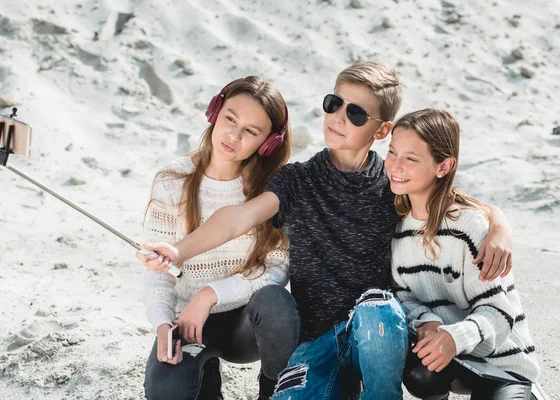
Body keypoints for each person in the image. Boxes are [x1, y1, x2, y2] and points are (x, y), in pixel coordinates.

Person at [143, 62, 514, 400]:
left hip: (377, 334)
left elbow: (454, 201)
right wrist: (178, 252)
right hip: (315, 342)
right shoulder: (297, 179)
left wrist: (499, 226)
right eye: (334, 103)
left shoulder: (395, 179)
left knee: (377, 312)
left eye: (355, 113)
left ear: (383, 129)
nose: (338, 117)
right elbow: (238, 217)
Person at [137, 76, 300, 400]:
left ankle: (275, 395)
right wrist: (163, 324)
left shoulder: (272, 189)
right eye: (230, 119)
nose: (234, 135)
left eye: (251, 132)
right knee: (164, 389)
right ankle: (206, 383)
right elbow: (157, 277)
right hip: (189, 320)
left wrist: (210, 294)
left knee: (277, 305)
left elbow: (276, 270)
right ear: (215, 111)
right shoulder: (172, 180)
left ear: (267, 143)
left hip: (246, 324)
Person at [387, 109, 540, 399]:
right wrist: (426, 320)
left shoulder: (468, 226)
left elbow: (498, 312)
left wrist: (455, 337)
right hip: (456, 361)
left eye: (411, 158)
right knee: (420, 374)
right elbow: (403, 293)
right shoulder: (398, 228)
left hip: (503, 364)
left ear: (443, 166)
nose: (395, 166)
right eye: (392, 152)